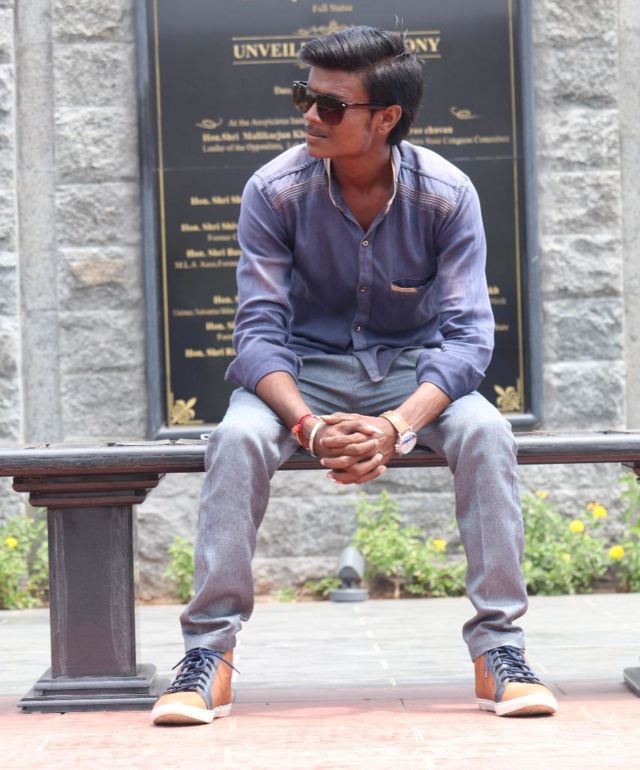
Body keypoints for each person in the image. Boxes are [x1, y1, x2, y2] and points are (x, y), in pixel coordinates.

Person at [151, 25, 557, 726]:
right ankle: (207, 658)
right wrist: (308, 426)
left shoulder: (446, 196)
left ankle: (501, 651)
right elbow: (258, 334)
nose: (310, 114)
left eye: (331, 105)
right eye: (304, 96)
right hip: (302, 374)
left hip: (413, 373)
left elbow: (467, 338)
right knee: (236, 440)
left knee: (487, 433)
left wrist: (397, 425)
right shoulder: (274, 191)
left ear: (387, 117)